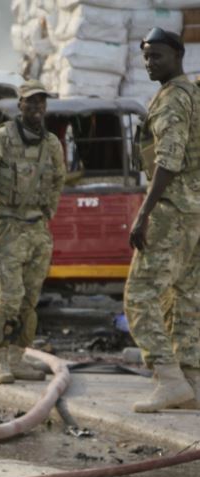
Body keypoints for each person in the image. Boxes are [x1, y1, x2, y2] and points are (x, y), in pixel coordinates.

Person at [125, 27, 200, 412]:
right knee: (186, 296)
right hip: (195, 211)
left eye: (157, 56)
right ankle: (191, 382)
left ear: (178, 55)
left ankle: (169, 379)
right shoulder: (194, 93)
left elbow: (168, 160)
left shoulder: (172, 99)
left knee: (139, 295)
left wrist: (144, 213)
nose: (149, 63)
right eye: (145, 56)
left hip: (172, 211)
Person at [0, 79, 65, 385]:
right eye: (31, 101)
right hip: (8, 229)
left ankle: (17, 357)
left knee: (29, 301)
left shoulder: (51, 144)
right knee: (8, 300)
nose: (37, 106)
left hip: (37, 232)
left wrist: (47, 215)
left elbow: (59, 181)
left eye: (42, 101)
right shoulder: (0, 140)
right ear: (20, 104)